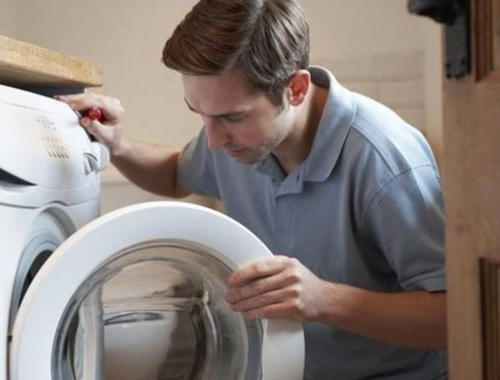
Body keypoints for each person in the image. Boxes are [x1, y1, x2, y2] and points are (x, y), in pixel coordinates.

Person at [58, 0, 447, 378]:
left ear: (295, 89)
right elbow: (178, 174)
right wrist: (117, 145)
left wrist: (323, 299)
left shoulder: (383, 160)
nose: (212, 142)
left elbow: (455, 316)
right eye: (201, 115)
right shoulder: (238, 140)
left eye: (232, 117)